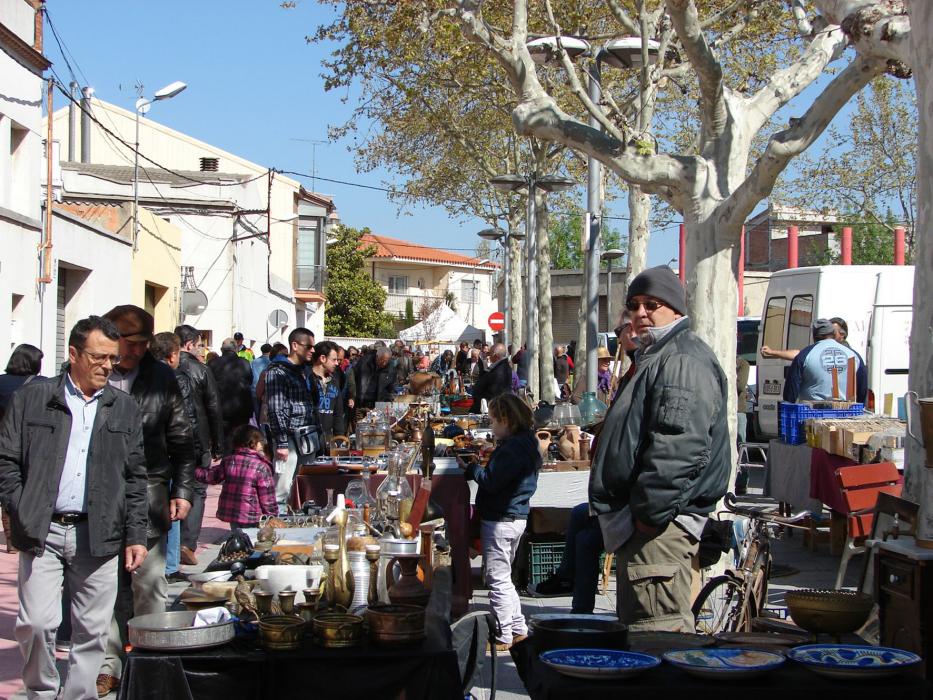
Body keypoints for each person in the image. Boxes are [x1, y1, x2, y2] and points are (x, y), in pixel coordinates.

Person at [0, 316, 149, 700]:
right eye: (98, 357)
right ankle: (42, 692)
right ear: (73, 354)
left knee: (92, 632)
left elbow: (135, 477)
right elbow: (6, 461)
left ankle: (78, 696)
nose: (107, 366)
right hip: (42, 531)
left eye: (112, 359)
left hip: (99, 532)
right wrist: (21, 507)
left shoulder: (123, 408)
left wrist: (136, 535)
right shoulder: (32, 398)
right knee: (35, 623)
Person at [590, 266, 730, 631]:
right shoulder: (658, 355)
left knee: (658, 635)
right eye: (634, 304)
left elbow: (677, 448)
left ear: (676, 310)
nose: (640, 312)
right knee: (644, 634)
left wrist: (648, 518)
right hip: (650, 524)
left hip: (660, 528)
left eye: (652, 304)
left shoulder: (680, 359)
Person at [98, 305, 197, 695]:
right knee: (105, 586)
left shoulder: (161, 377)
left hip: (151, 492)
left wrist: (183, 490)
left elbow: (182, 439)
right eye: (129, 343)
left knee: (150, 582)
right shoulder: (94, 372)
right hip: (100, 496)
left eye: (142, 345)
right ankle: (109, 663)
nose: (135, 352)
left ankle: (151, 663)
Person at [459, 394, 540, 650]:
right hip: (514, 517)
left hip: (502, 519)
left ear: (506, 420)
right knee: (505, 577)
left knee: (497, 579)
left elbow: (492, 481)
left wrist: (472, 469)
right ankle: (518, 628)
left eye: (494, 421)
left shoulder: (514, 447)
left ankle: (503, 635)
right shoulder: (525, 442)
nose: (492, 426)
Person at [173, 325, 224, 566]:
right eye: (199, 344)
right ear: (191, 344)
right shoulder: (200, 369)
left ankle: (172, 546)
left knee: (173, 488)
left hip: (171, 439)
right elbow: (213, 407)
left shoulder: (162, 369)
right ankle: (187, 542)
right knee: (198, 489)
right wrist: (217, 443)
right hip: (198, 438)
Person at [149, 332, 196, 584]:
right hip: (167, 457)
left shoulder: (141, 378)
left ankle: (166, 564)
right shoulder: (178, 378)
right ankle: (169, 564)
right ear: (173, 354)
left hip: (157, 456)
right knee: (174, 510)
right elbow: (188, 419)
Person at [264, 328, 318, 509]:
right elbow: (276, 408)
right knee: (282, 488)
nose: (312, 350)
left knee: (303, 486)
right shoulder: (277, 372)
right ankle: (276, 526)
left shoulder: (304, 371)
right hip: (288, 438)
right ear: (294, 346)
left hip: (306, 436)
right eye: (308, 346)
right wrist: (281, 443)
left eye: (313, 347)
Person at [0, 344, 45, 552]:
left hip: (4, 443)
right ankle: (29, 532)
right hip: (34, 446)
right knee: (31, 488)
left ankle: (11, 541)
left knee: (7, 490)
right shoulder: (43, 384)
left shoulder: (1, 382)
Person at [196, 424, 277, 530]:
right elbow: (267, 496)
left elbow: (211, 476)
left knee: (238, 536)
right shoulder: (261, 466)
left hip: (232, 513)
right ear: (254, 444)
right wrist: (272, 515)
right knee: (252, 540)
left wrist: (193, 471)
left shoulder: (229, 461)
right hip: (253, 515)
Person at [532, 503, 604, 614]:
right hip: (614, 505)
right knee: (579, 514)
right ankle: (567, 577)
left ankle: (580, 608)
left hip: (628, 509)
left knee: (586, 539)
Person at [783, 318, 867, 404]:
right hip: (846, 412)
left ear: (814, 336)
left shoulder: (805, 355)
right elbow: (862, 387)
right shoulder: (853, 355)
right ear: (834, 334)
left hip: (812, 413)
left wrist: (788, 405)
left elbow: (791, 389)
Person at [209, 338, 255, 453]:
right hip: (241, 408)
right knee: (240, 440)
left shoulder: (212, 363)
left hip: (221, 408)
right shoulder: (244, 362)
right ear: (235, 349)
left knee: (224, 441)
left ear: (221, 350)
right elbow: (250, 380)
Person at [309, 340, 345, 447]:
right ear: (322, 358)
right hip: (310, 439)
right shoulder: (307, 379)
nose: (337, 363)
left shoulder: (333, 381)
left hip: (329, 440)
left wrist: (339, 438)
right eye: (334, 360)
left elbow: (338, 413)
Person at [0, 344, 44, 421]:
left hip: (5, 429)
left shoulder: (2, 381)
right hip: (32, 430)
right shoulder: (44, 383)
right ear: (34, 363)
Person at [469, 343, 512, 412]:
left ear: (494, 355)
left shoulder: (500, 370)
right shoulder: (501, 367)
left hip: (491, 409)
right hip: (489, 406)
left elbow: (495, 393)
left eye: (489, 353)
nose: (488, 355)